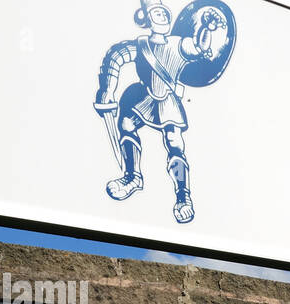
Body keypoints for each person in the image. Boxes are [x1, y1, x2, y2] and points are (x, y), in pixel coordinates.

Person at [94, 3, 234, 224]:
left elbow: (198, 47)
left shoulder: (178, 44)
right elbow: (116, 57)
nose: (162, 16)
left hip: (168, 100)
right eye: (156, 13)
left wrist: (206, 27)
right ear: (147, 19)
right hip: (143, 95)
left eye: (164, 13)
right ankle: (132, 177)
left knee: (174, 142)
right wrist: (107, 90)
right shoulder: (140, 45)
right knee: (127, 124)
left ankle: (183, 196)